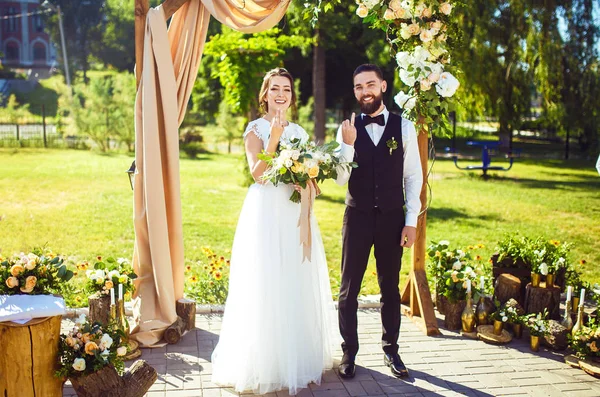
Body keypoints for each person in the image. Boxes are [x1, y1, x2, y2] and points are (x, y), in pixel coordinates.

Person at [211, 68, 334, 395]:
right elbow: (258, 174)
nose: (281, 94)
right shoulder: (256, 129)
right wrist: (275, 138)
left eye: (287, 89)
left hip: (294, 210)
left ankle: (296, 356)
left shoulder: (300, 131)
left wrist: (308, 175)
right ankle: (265, 361)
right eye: (275, 89)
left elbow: (308, 168)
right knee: (266, 278)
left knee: (294, 277)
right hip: (266, 212)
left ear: (292, 96)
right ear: (264, 94)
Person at [334, 64, 423, 379]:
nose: (364, 91)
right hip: (356, 216)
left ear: (383, 86)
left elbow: (413, 176)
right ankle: (349, 353)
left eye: (370, 84)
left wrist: (410, 220)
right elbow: (338, 179)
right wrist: (346, 144)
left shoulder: (405, 127)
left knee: (390, 287)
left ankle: (391, 351)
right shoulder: (347, 126)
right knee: (348, 290)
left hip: (391, 218)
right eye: (358, 86)